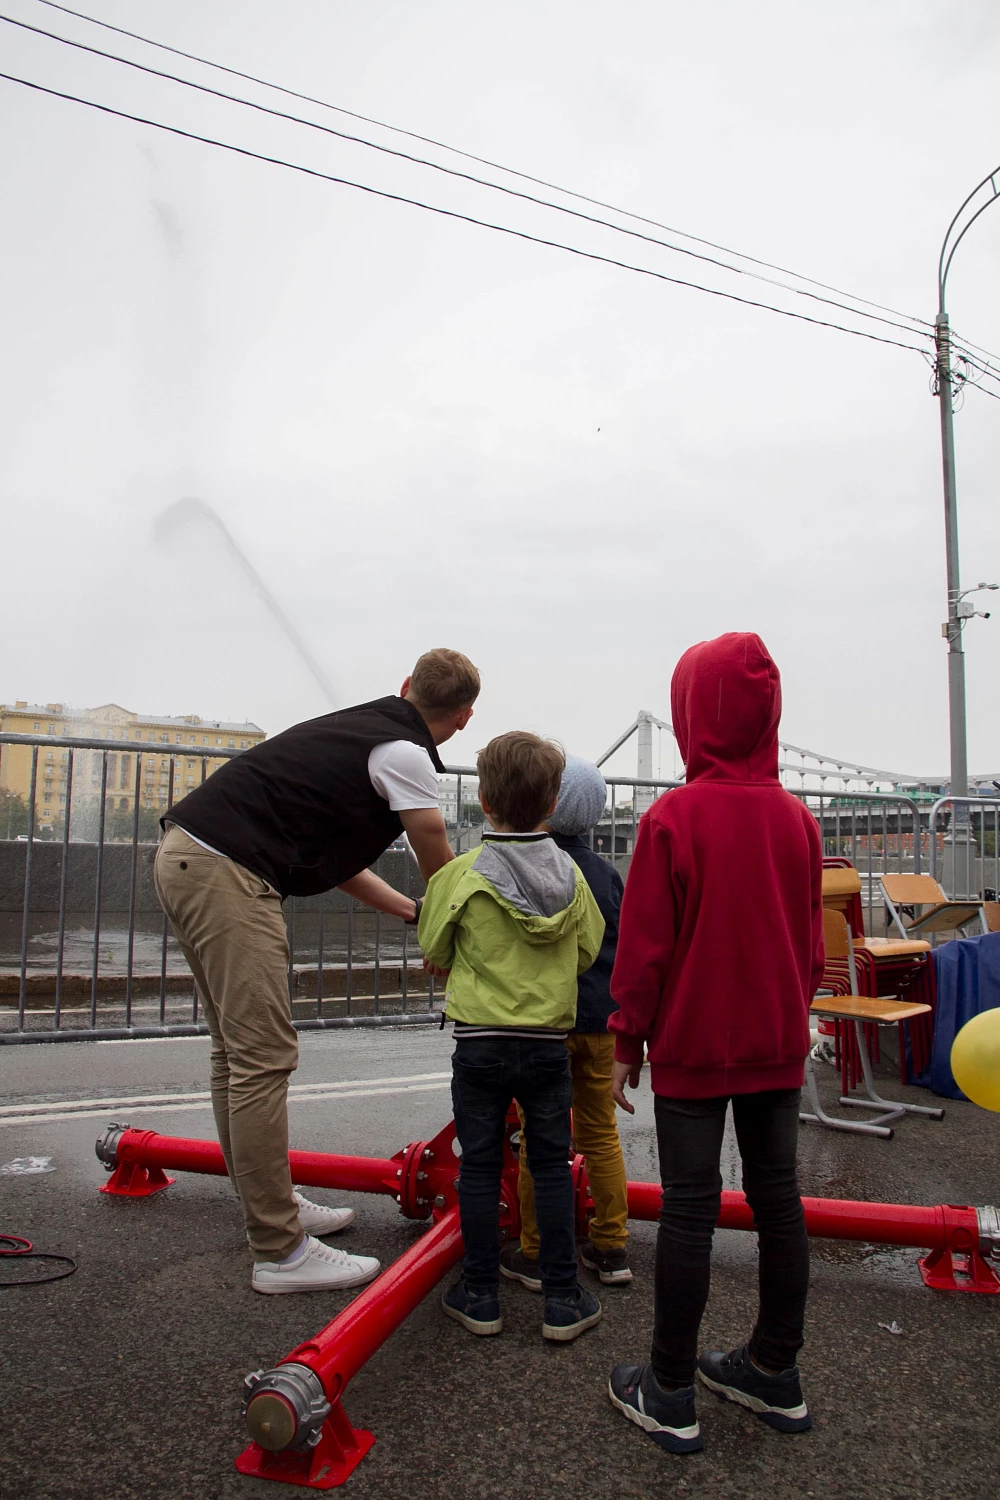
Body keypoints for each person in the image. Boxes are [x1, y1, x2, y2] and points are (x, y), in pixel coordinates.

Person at [153, 647, 480, 1294]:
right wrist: (456, 931)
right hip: (227, 872)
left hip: (188, 857)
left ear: (407, 686)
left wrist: (412, 913)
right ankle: (280, 1250)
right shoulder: (406, 754)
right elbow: (438, 856)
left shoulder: (359, 733)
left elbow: (335, 863)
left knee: (236, 1053)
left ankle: (271, 1203)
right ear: (465, 717)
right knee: (262, 1057)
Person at [606, 633, 824, 1454]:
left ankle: (668, 1388)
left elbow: (645, 950)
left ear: (691, 712)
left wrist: (626, 1040)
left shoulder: (673, 818)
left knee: (691, 1210)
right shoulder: (799, 821)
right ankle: (774, 1370)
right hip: (776, 1039)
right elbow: (811, 949)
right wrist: (790, 1014)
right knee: (779, 1203)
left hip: (694, 1043)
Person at [418, 731, 606, 1341]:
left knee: (478, 1166)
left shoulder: (459, 875)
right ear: (551, 803)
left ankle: (479, 1296)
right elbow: (587, 951)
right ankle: (562, 1298)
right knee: (550, 1164)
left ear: (483, 799)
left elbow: (433, 944)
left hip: (479, 1044)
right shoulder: (572, 877)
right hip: (548, 1044)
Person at [500, 755, 632, 1291]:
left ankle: (535, 1251)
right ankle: (611, 1246)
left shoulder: (531, 867)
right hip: (602, 1021)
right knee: (601, 1133)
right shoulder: (606, 873)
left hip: (548, 1021)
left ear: (546, 803)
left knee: (539, 1137)